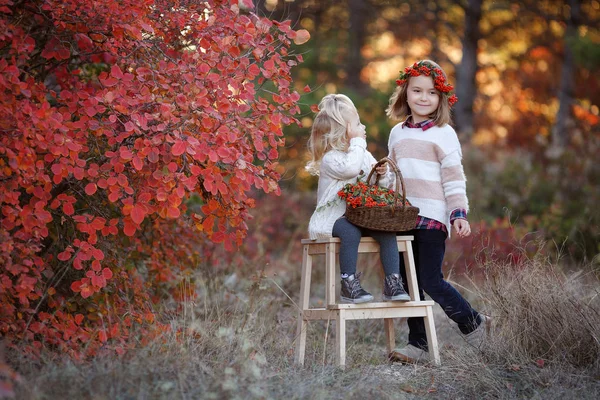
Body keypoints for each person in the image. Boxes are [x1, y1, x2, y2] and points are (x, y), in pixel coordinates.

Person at [384, 60, 489, 363]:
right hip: (401, 217)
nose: (423, 97)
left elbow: (453, 177)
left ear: (440, 98)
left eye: (431, 92)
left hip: (431, 217)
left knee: (429, 279)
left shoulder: (444, 134)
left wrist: (458, 213)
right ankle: (418, 345)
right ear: (405, 93)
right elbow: (392, 173)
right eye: (417, 90)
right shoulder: (397, 134)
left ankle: (473, 322)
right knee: (407, 283)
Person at [307, 94, 411, 303]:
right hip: (334, 219)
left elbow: (377, 186)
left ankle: (393, 282)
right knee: (349, 230)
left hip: (362, 215)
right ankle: (348, 283)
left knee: (386, 229)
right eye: (357, 124)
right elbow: (351, 169)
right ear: (344, 132)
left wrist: (381, 174)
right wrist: (357, 142)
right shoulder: (331, 159)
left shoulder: (360, 153)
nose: (362, 128)